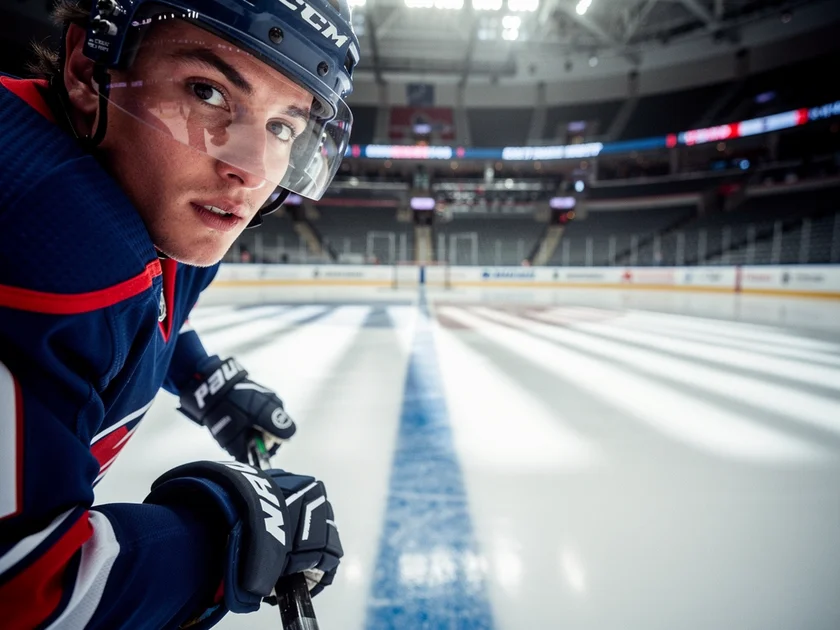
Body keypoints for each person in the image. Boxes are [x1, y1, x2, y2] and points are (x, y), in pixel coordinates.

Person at [0, 0, 359, 626]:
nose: (248, 172)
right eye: (208, 92)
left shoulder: (159, 199)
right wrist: (224, 535)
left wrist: (200, 377)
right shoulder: (44, 239)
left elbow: (149, 297)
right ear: (90, 68)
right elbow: (24, 594)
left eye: (282, 127)